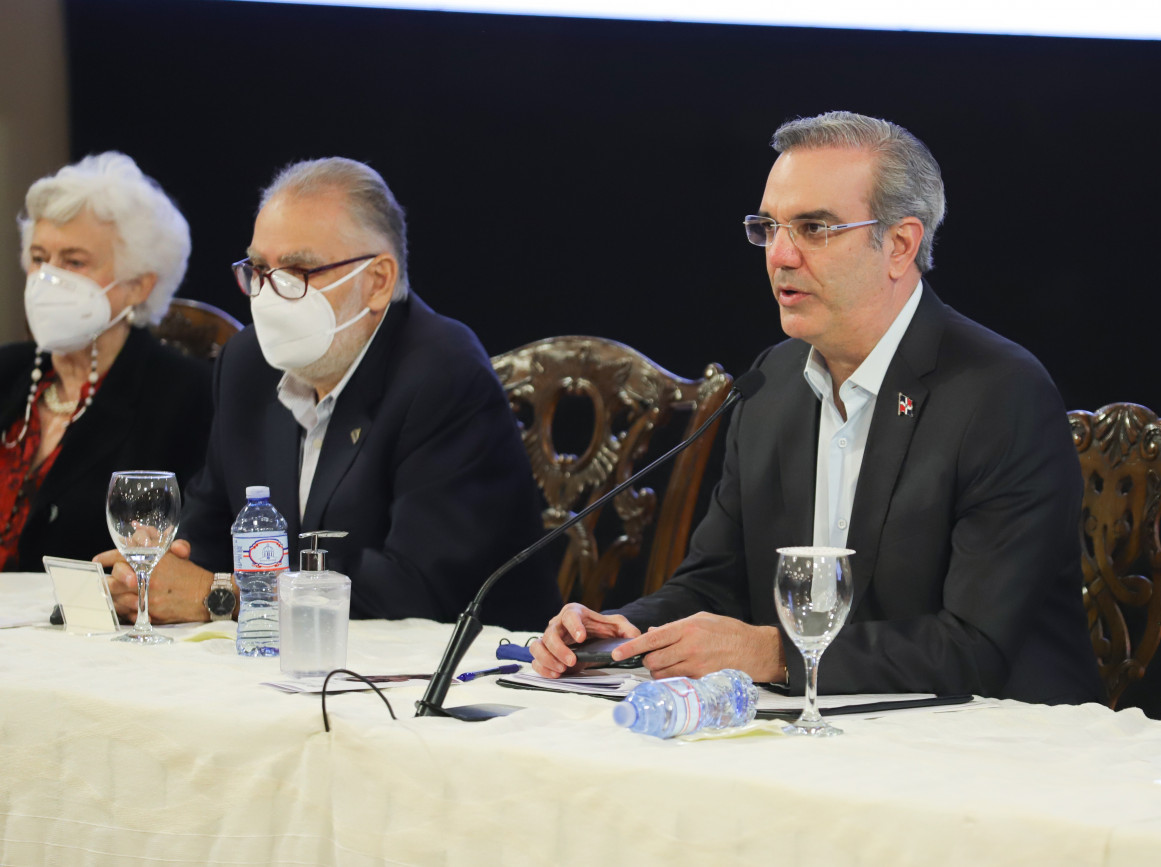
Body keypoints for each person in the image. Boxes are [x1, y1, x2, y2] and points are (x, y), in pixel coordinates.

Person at [532, 112, 1103, 704]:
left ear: (900, 245)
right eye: (769, 227)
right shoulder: (772, 383)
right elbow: (715, 583)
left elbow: (974, 648)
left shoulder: (1001, 394)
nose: (780, 255)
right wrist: (619, 634)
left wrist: (777, 654)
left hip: (996, 735)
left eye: (813, 228)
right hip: (825, 725)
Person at [97, 157, 559, 630]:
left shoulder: (444, 374)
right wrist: (155, 574)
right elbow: (210, 533)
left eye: (298, 270)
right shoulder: (247, 364)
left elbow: (416, 590)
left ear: (377, 282)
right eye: (260, 268)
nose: (268, 294)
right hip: (291, 657)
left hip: (470, 662)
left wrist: (224, 596)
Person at [1, 153, 212, 572]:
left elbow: (192, 549)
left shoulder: (187, 397)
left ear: (138, 285)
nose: (47, 278)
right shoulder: (6, 370)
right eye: (39, 258)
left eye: (74, 262)